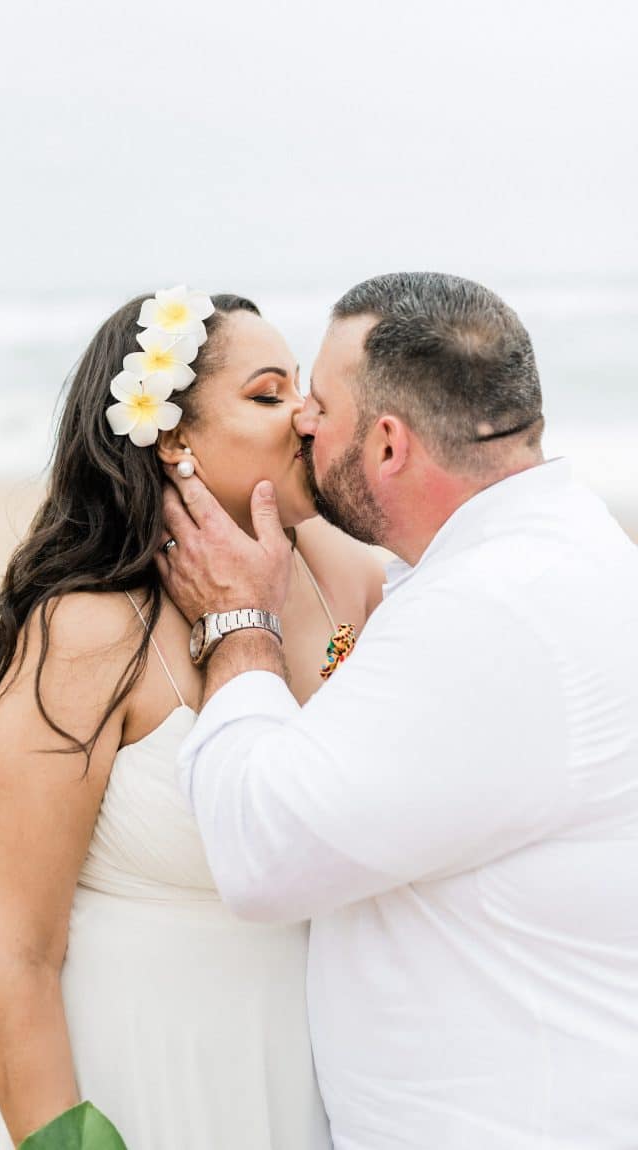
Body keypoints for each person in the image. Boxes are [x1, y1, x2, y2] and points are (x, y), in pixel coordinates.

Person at [160, 272, 638, 1150]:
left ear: (386, 445)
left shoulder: (496, 609)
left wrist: (239, 625)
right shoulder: (556, 555)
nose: (302, 420)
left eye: (321, 404)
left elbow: (262, 850)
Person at [0, 288, 386, 1149]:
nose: (307, 417)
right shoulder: (87, 632)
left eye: (304, 390)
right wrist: (63, 1137)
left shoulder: (344, 577)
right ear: (170, 435)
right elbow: (13, 944)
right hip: (130, 1071)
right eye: (266, 394)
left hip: (299, 1079)